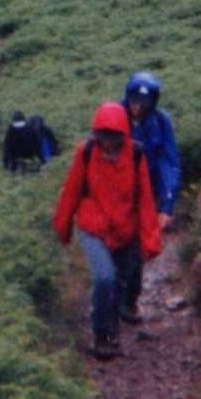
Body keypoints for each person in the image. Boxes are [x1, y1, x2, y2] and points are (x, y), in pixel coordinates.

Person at [53, 102, 162, 359]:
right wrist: (63, 226)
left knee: (119, 286)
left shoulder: (135, 155)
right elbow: (72, 190)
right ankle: (100, 335)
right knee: (105, 278)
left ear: (123, 134)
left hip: (126, 230)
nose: (108, 143)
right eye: (103, 136)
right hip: (94, 227)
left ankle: (111, 335)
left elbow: (145, 200)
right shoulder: (86, 152)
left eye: (113, 137)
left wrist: (150, 239)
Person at [121, 71, 181, 325]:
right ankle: (110, 300)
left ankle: (128, 301)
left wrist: (167, 204)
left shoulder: (161, 122)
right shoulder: (115, 118)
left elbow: (169, 161)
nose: (138, 108)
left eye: (144, 103)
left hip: (147, 196)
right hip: (118, 196)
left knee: (136, 249)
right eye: (134, 101)